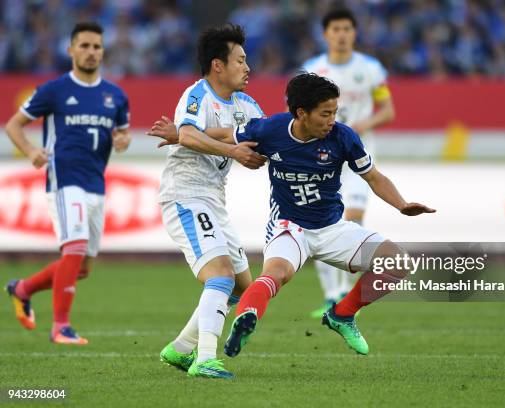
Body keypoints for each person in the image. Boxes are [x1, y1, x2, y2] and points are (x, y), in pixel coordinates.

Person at [152, 73, 434, 358]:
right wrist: (181, 134)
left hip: (332, 228)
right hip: (289, 226)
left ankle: (342, 315)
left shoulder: (344, 137)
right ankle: (246, 319)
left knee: (397, 262)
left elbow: (373, 177)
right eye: (325, 113)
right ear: (301, 113)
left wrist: (401, 204)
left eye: (334, 112)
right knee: (275, 274)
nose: (331, 120)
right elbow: (227, 134)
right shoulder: (271, 130)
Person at [149, 24, 266, 379]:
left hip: (214, 198)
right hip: (185, 194)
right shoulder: (196, 94)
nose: (248, 68)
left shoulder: (246, 104)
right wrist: (227, 146)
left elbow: (263, 133)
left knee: (244, 288)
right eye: (241, 60)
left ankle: (180, 349)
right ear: (218, 65)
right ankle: (205, 359)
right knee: (220, 275)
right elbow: (187, 134)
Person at [4, 22, 131, 345]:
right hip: (64, 180)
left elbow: (122, 133)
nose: (91, 52)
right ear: (71, 50)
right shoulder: (54, 90)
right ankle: (61, 326)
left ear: (103, 51)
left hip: (95, 184)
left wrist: (122, 140)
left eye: (96, 47)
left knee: (82, 267)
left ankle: (23, 289)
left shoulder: (115, 96)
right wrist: (31, 150)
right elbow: (14, 125)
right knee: (73, 248)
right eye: (84, 46)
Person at [301, 8, 396, 318]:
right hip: (321, 157)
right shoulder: (312, 70)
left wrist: (362, 124)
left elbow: (388, 109)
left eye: (346, 29)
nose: (341, 34)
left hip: (357, 156)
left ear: (354, 33)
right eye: (335, 29)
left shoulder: (370, 69)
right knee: (319, 222)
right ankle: (333, 295)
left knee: (351, 219)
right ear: (326, 34)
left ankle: (346, 294)